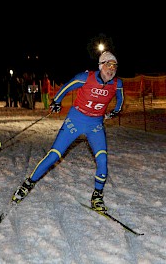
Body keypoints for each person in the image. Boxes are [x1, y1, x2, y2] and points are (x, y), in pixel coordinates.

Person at [11, 51, 124, 212]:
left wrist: (114, 112)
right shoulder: (86, 77)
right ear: (100, 66)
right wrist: (56, 101)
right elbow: (66, 87)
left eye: (114, 66)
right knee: (54, 155)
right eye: (108, 65)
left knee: (103, 160)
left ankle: (97, 197)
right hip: (75, 121)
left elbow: (120, 101)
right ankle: (27, 184)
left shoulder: (117, 84)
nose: (111, 69)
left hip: (95, 125)